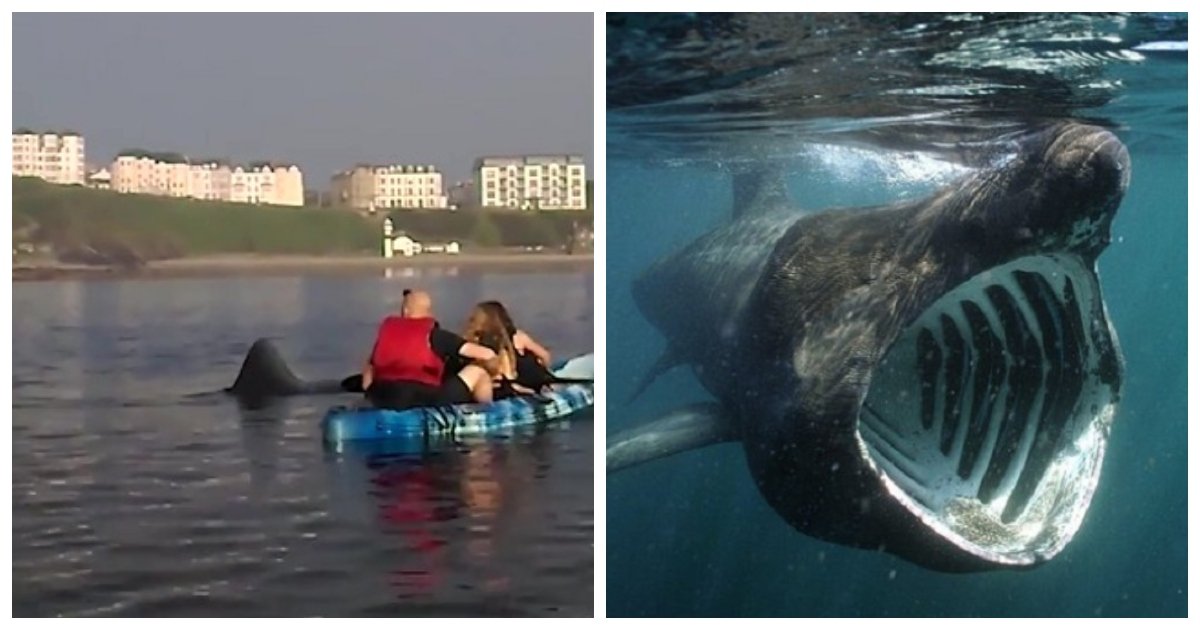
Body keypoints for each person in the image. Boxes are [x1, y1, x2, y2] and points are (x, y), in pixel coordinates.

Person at [361, 289, 498, 410]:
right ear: (428, 311)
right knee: (477, 371)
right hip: (423, 400)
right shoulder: (435, 334)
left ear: (405, 311)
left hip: (383, 396)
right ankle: (489, 413)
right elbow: (486, 354)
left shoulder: (388, 333)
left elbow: (367, 378)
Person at [461, 300, 555, 398]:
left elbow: (544, 356)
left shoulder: (515, 337)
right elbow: (545, 356)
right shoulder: (518, 336)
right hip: (516, 386)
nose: (470, 320)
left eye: (474, 318)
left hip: (525, 383)